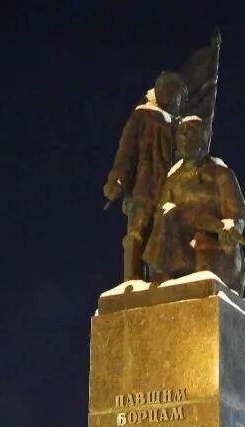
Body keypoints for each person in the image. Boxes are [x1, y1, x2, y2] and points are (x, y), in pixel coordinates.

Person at [143, 116, 245, 293]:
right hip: (178, 247)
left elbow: (236, 212)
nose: (183, 138)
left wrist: (232, 229)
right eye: (181, 134)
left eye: (189, 133)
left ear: (204, 138)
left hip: (213, 245)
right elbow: (162, 215)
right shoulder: (173, 179)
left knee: (203, 276)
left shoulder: (221, 175)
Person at [103, 72, 188, 281]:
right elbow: (127, 151)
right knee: (138, 232)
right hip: (144, 186)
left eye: (177, 94)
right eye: (170, 91)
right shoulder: (143, 115)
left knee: (162, 236)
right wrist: (118, 178)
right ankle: (132, 279)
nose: (173, 97)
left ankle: (160, 280)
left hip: (169, 191)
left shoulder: (179, 126)